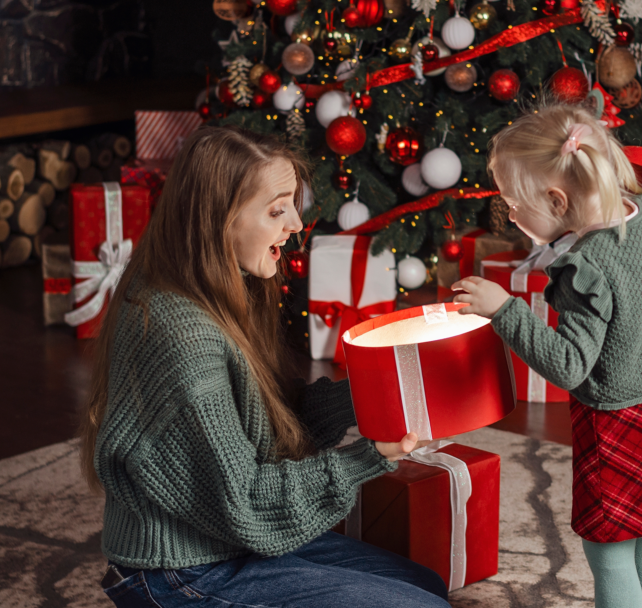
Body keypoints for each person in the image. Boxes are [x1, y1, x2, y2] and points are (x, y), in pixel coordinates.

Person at [78, 125, 448, 608]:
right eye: (277, 210)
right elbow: (249, 502)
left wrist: (368, 396)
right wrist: (369, 457)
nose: (296, 223)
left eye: (293, 203)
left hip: (224, 539)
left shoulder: (213, 279)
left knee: (426, 587)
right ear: (217, 218)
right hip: (180, 568)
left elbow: (262, 426)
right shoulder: (181, 333)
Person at [452, 104, 642, 608]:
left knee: (608, 550)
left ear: (557, 199)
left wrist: (505, 312)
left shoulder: (585, 268)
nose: (511, 216)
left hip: (623, 425)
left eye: (513, 205)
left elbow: (569, 365)